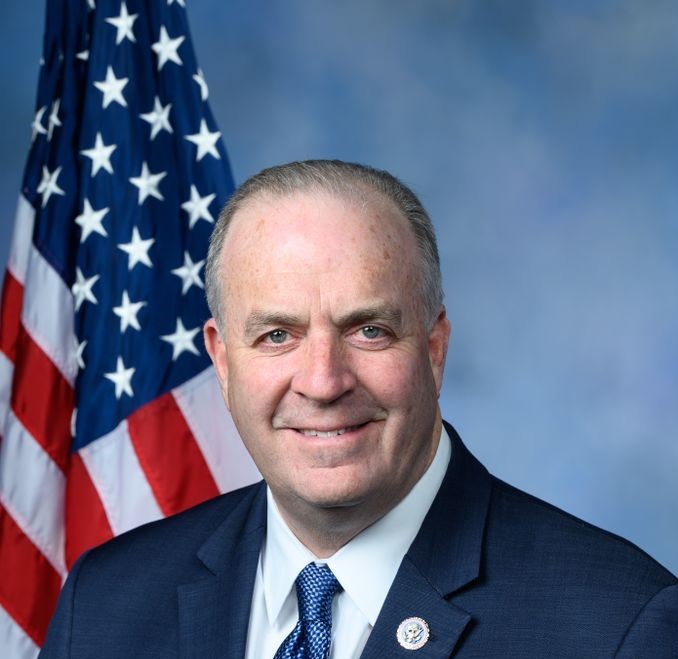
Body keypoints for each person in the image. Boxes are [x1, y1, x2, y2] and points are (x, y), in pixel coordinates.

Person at [40, 160, 677, 658]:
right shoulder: (104, 606)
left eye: (368, 330)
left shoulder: (619, 627)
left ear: (434, 347)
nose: (322, 382)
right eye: (277, 336)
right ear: (223, 361)